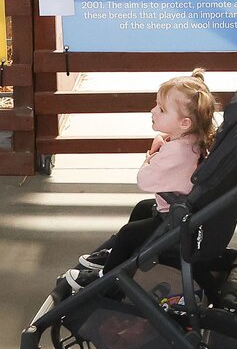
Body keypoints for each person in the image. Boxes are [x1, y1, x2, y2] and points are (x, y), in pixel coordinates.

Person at [74, 71, 217, 275]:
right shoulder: (191, 140)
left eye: (161, 109)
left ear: (184, 123)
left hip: (175, 219)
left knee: (128, 233)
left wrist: (151, 154)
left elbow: (144, 180)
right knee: (143, 208)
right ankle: (118, 254)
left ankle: (110, 280)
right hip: (183, 207)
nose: (153, 110)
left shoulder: (176, 152)